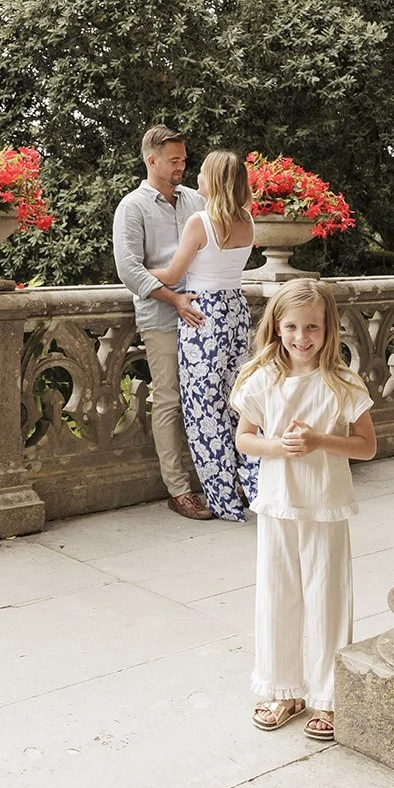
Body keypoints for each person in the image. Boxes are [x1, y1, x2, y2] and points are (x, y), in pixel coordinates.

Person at [230, 279, 377, 740]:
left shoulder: (342, 383)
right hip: (278, 504)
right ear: (277, 327)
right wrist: (276, 445)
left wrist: (319, 440)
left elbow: (367, 446)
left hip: (326, 506)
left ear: (328, 327)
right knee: (278, 595)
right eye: (291, 326)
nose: (301, 337)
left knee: (328, 599)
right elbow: (244, 437)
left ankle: (329, 696)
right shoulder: (263, 379)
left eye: (312, 326)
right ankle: (283, 689)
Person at [147, 149, 260, 521]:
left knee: (203, 410)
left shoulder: (200, 221)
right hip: (236, 311)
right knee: (238, 403)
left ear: (212, 180)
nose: (194, 176)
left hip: (204, 317)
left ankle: (223, 500)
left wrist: (143, 272)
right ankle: (254, 487)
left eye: (202, 172)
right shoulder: (247, 221)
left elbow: (174, 272)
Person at [113, 124, 213, 520]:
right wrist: (173, 295)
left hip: (204, 313)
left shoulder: (196, 200)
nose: (182, 166)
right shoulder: (131, 207)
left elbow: (215, 246)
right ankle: (179, 490)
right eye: (174, 160)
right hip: (161, 316)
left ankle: (218, 480)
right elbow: (129, 270)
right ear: (151, 160)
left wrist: (180, 283)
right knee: (169, 400)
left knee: (211, 396)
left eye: (184, 159)